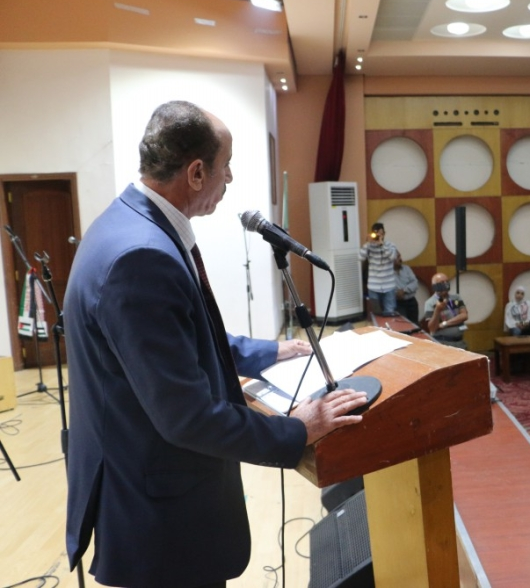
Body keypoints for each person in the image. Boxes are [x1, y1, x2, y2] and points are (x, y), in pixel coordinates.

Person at [63, 101, 369, 588]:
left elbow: (173, 337)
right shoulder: (142, 256)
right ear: (197, 172)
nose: (230, 178)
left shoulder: (130, 223)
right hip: (160, 519)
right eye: (226, 166)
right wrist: (296, 429)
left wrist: (269, 352)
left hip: (146, 491)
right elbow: (186, 416)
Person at [359, 222, 398, 315]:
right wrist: (367, 244)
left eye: (381, 233)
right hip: (374, 286)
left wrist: (382, 245)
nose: (378, 235)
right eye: (376, 233)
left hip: (389, 286)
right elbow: (360, 257)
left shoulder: (390, 245)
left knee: (390, 312)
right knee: (376, 314)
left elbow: (393, 257)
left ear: (384, 233)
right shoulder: (369, 246)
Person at [424, 272, 468, 348]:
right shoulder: (430, 303)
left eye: (447, 281)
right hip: (442, 343)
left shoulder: (456, 298)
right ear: (435, 286)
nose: (445, 284)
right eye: (442, 282)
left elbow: (464, 315)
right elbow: (432, 328)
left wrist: (445, 324)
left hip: (459, 342)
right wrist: (437, 310)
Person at [393, 252, 419, 323]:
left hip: (411, 302)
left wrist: (404, 290)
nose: (400, 259)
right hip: (397, 304)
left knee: (415, 325)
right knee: (402, 325)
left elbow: (415, 283)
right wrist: (396, 293)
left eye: (400, 256)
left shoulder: (406, 269)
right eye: (397, 257)